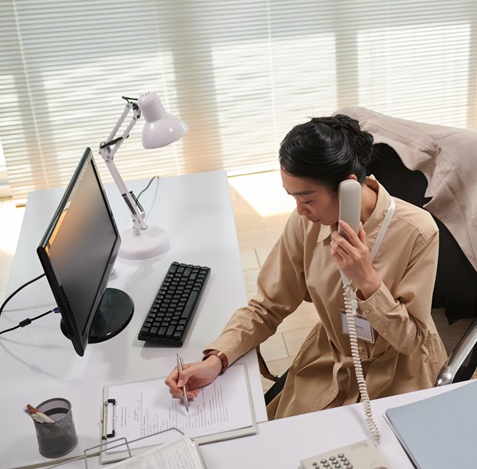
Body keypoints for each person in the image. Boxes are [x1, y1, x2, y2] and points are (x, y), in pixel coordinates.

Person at [165, 115, 448, 419]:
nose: (299, 210)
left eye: (307, 198)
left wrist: (367, 281)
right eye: (293, 197)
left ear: (348, 187)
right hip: (330, 362)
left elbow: (410, 340)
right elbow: (267, 305)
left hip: (399, 374)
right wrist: (218, 358)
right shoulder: (306, 224)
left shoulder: (417, 231)